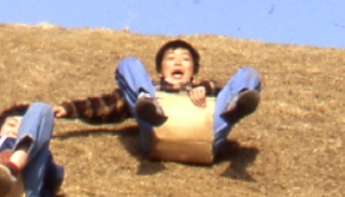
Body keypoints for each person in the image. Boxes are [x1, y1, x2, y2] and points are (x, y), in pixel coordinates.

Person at [54, 39, 262, 158]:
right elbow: (108, 105)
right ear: (161, 71)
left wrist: (205, 89)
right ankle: (149, 104)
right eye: (171, 59)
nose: (177, 62)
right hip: (156, 130)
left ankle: (236, 106)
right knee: (128, 64)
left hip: (206, 134)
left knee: (248, 74)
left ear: (193, 71)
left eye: (185, 59)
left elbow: (224, 89)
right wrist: (70, 109)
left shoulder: (206, 89)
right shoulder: (154, 87)